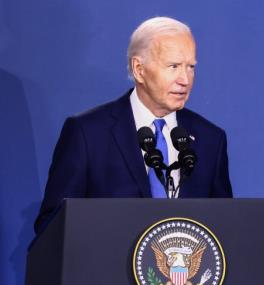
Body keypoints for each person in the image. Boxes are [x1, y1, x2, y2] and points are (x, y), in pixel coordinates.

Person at [34, 16, 232, 235]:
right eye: (173, 66)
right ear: (139, 69)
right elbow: (52, 225)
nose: (185, 79)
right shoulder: (87, 134)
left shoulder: (209, 140)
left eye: (191, 67)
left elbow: (224, 227)